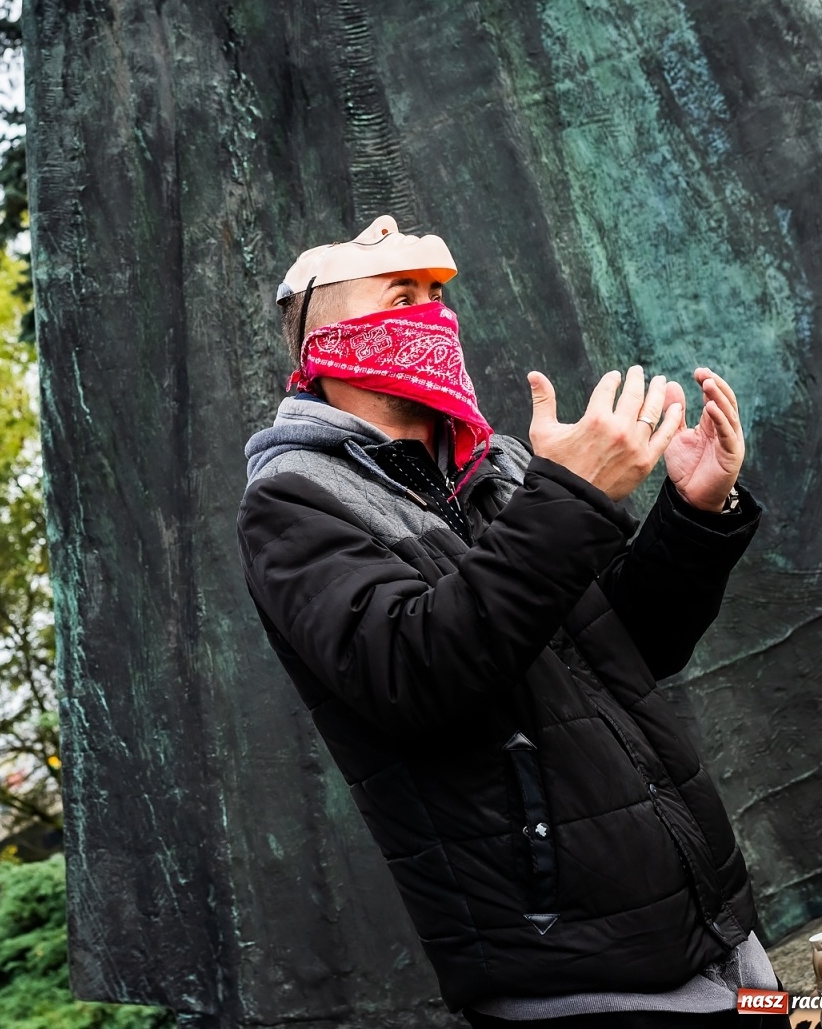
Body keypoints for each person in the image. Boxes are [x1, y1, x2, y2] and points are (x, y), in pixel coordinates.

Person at [237, 217, 792, 1027]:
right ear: (325, 338)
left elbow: (630, 649)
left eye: (437, 295)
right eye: (402, 295)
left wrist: (695, 513)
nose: (434, 314)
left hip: (711, 930)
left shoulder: (499, 465)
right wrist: (572, 497)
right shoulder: (291, 501)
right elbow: (415, 674)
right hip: (570, 972)